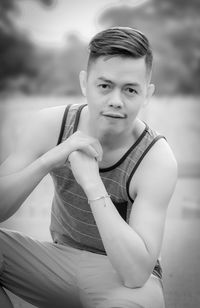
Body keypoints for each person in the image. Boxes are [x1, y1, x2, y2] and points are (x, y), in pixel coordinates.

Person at [0, 27, 177, 308]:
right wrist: (51, 158)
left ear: (147, 94)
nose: (116, 101)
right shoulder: (50, 124)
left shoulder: (156, 158)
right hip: (55, 265)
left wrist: (92, 184)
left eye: (130, 89)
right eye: (105, 86)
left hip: (123, 282)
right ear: (85, 83)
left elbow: (135, 273)